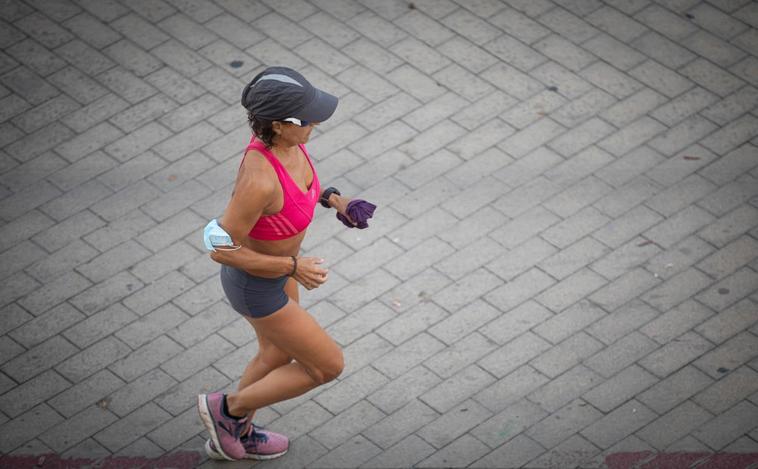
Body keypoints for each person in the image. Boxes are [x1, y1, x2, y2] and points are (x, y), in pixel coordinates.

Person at [197, 66, 356, 461]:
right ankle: (228, 410)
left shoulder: (290, 143)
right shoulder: (259, 179)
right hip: (256, 284)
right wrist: (291, 266)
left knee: (275, 356)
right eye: (308, 118)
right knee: (325, 366)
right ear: (279, 125)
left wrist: (336, 201)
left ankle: (238, 432)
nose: (315, 122)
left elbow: (301, 189)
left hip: (278, 272)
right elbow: (218, 246)